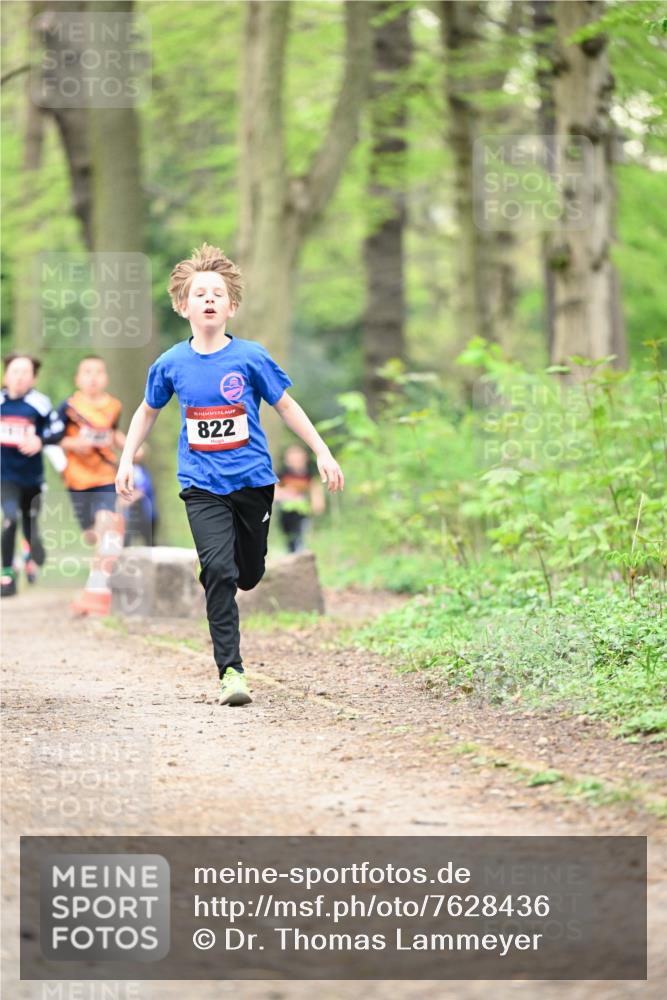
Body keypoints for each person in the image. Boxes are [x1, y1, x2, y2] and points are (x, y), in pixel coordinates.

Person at [115, 242, 344, 706]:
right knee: (218, 570)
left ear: (231, 306)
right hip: (201, 484)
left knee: (249, 572)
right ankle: (231, 671)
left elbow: (285, 405)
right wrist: (125, 459)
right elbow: (146, 412)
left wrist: (321, 450)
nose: (209, 299)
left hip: (253, 481)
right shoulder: (171, 363)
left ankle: (245, 570)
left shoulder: (251, 357)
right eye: (199, 293)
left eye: (217, 293)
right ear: (184, 306)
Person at [58, 356, 127, 614]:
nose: (93, 377)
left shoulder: (113, 406)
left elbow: (112, 433)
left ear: (106, 378)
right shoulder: (68, 408)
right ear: (78, 378)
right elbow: (54, 439)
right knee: (92, 533)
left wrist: (130, 446)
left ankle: (97, 588)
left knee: (106, 525)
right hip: (77, 480)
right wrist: (77, 444)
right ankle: (97, 583)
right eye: (87, 372)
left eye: (98, 372)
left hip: (105, 476)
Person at [1, 353, 65, 597]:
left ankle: (29, 554)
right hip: (4, 476)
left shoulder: (40, 403)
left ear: (33, 378)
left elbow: (58, 430)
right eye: (14, 372)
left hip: (32, 478)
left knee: (30, 524)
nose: (19, 378)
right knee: (10, 518)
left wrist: (40, 439)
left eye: (25, 373)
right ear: (6, 375)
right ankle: (7, 576)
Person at [275, 443, 326, 553]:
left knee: (301, 534)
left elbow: (316, 491)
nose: (296, 462)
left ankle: (300, 552)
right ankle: (292, 552)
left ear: (305, 459)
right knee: (289, 537)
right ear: (286, 460)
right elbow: (275, 491)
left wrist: (317, 504)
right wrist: (285, 494)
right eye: (293, 459)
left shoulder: (309, 475)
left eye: (299, 459)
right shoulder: (282, 475)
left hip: (303, 513)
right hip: (286, 512)